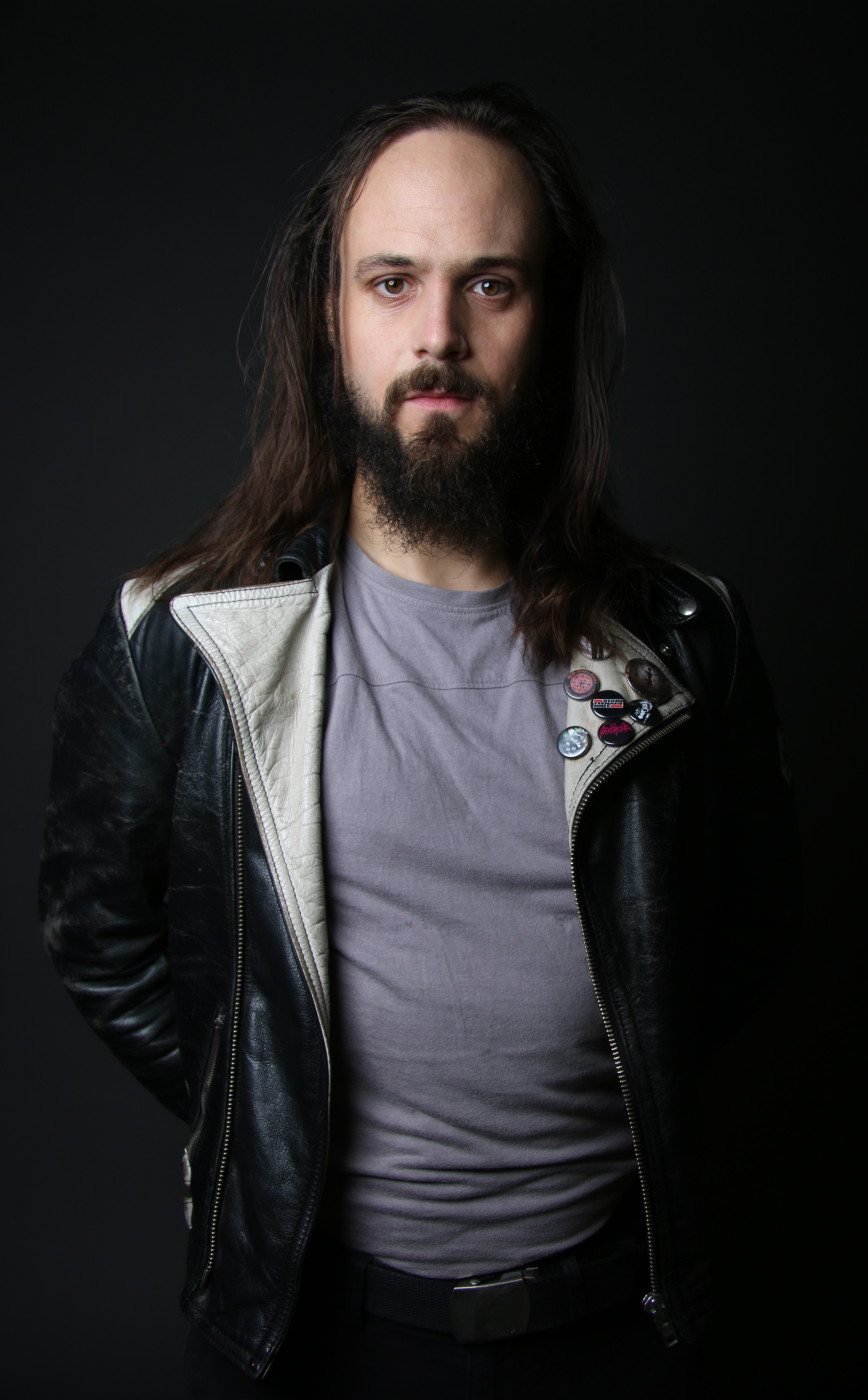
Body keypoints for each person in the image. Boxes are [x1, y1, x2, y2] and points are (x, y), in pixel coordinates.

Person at [38, 84, 799, 1398]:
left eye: (490, 285)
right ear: (328, 316)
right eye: (391, 282)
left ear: (552, 318)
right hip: (303, 1333)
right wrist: (261, 1112)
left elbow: (737, 930)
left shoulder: (682, 637)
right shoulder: (188, 640)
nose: (437, 335)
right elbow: (97, 935)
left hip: (619, 1327)